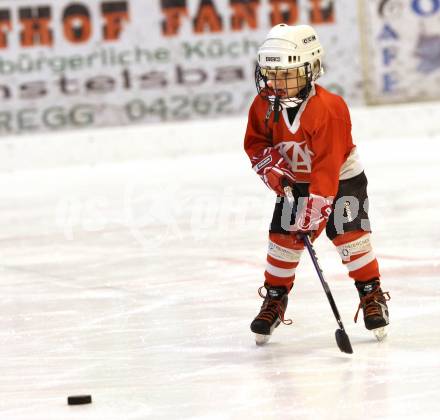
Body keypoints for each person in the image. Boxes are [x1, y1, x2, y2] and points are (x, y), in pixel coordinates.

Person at [244, 23, 390, 345]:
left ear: (310, 69)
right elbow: (254, 143)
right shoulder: (263, 105)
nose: (276, 82)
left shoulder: (329, 108)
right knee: (283, 240)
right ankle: (275, 299)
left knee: (350, 236)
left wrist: (316, 211)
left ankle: (371, 294)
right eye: (271, 73)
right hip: (295, 183)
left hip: (341, 180)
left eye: (287, 74)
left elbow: (326, 166)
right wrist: (272, 168)